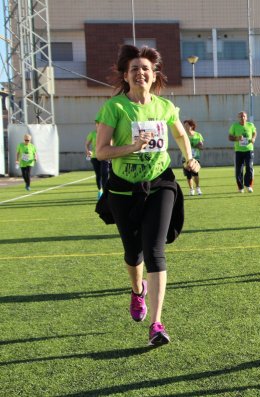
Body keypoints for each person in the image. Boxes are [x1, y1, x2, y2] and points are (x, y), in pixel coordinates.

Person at [95, 44, 200, 346]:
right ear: (125, 76)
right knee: (133, 253)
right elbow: (102, 152)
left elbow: (180, 134)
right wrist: (132, 147)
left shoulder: (165, 107)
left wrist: (188, 157)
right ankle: (137, 290)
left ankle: (156, 323)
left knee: (154, 250)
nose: (140, 73)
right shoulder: (115, 108)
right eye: (134, 69)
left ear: (155, 75)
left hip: (160, 182)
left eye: (145, 69)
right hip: (123, 189)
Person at [228, 111, 257, 192]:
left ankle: (248, 185)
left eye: (244, 116)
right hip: (239, 151)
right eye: (240, 116)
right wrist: (237, 138)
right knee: (239, 170)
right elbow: (230, 137)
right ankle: (240, 187)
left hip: (249, 150)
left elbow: (254, 132)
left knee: (249, 167)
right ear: (238, 118)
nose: (242, 118)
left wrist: (253, 138)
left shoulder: (250, 125)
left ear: (246, 117)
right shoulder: (234, 126)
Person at [85, 123, 110, 199]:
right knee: (98, 175)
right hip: (95, 157)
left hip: (104, 156)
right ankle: (100, 191)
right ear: (96, 125)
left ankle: (106, 192)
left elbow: (111, 143)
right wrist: (88, 151)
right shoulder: (92, 134)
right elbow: (87, 144)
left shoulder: (106, 133)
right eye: (98, 124)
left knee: (105, 173)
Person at [182, 119, 205, 195]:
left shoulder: (198, 135)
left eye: (187, 125)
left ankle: (198, 188)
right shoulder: (183, 135)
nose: (185, 127)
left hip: (195, 158)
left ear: (192, 126)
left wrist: (198, 145)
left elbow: (201, 147)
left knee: (195, 173)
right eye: (184, 125)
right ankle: (191, 190)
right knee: (188, 175)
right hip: (186, 158)